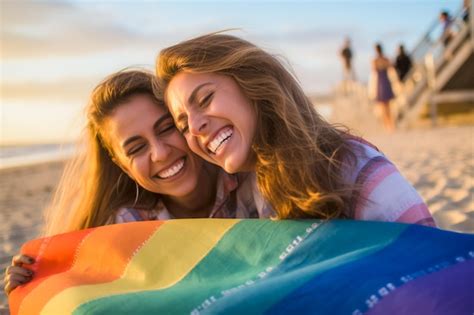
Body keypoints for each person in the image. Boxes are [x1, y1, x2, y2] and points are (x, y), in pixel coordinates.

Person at [3, 69, 270, 295]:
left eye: (166, 128)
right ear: (123, 166)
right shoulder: (127, 226)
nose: (161, 153)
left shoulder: (251, 177)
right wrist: (36, 283)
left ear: (185, 121)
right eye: (136, 148)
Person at [156, 33, 434, 224]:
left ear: (253, 83)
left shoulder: (357, 171)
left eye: (205, 99)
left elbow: (432, 270)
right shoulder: (242, 189)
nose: (195, 126)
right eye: (182, 125)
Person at [369, 42, 396, 131]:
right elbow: (391, 68)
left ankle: (387, 125)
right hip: (385, 81)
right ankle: (390, 125)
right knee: (387, 105)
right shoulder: (385, 59)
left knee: (383, 106)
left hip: (380, 82)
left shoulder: (375, 61)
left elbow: (373, 72)